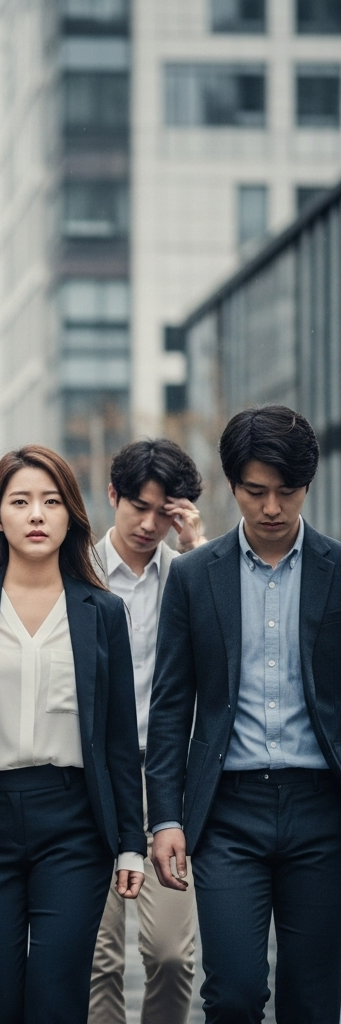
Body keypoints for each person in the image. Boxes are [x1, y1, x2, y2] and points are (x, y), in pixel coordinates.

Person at [0, 444, 145, 1024]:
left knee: (56, 1000)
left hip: (73, 825)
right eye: (21, 502)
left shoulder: (102, 611)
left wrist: (130, 841)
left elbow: (119, 739)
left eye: (51, 501)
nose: (37, 515)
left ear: (72, 515)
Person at [147, 405, 341, 1024]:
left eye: (288, 492)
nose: (273, 508)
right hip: (228, 813)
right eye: (256, 492)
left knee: (313, 1001)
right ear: (232, 486)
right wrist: (165, 819)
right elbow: (171, 704)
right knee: (231, 994)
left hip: (321, 810)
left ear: (307, 486)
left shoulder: (338, 570)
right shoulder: (194, 576)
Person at [89, 438, 205, 1024]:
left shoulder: (191, 577)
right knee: (97, 958)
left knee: (170, 955)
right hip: (91, 777)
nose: (149, 523)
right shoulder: (76, 574)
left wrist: (198, 549)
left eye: (165, 512)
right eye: (139, 505)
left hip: (167, 780)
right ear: (113, 495)